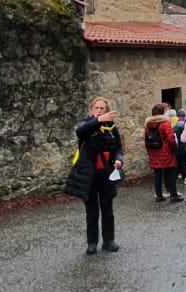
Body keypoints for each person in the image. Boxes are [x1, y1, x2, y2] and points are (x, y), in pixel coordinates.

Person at [65, 97, 123, 254]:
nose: (99, 110)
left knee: (107, 208)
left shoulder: (112, 128)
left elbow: (118, 148)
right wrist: (98, 121)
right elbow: (80, 131)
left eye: (102, 108)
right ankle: (92, 243)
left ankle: (109, 241)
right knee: (91, 211)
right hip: (89, 175)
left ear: (106, 110)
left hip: (106, 173)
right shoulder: (86, 124)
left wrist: (119, 159)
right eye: (96, 108)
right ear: (92, 110)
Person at [144, 104, 182, 202]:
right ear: (162, 113)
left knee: (158, 175)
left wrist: (150, 153)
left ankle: (159, 195)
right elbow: (171, 139)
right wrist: (174, 149)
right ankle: (173, 194)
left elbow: (146, 140)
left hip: (154, 152)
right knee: (170, 174)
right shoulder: (165, 123)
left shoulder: (148, 124)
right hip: (166, 152)